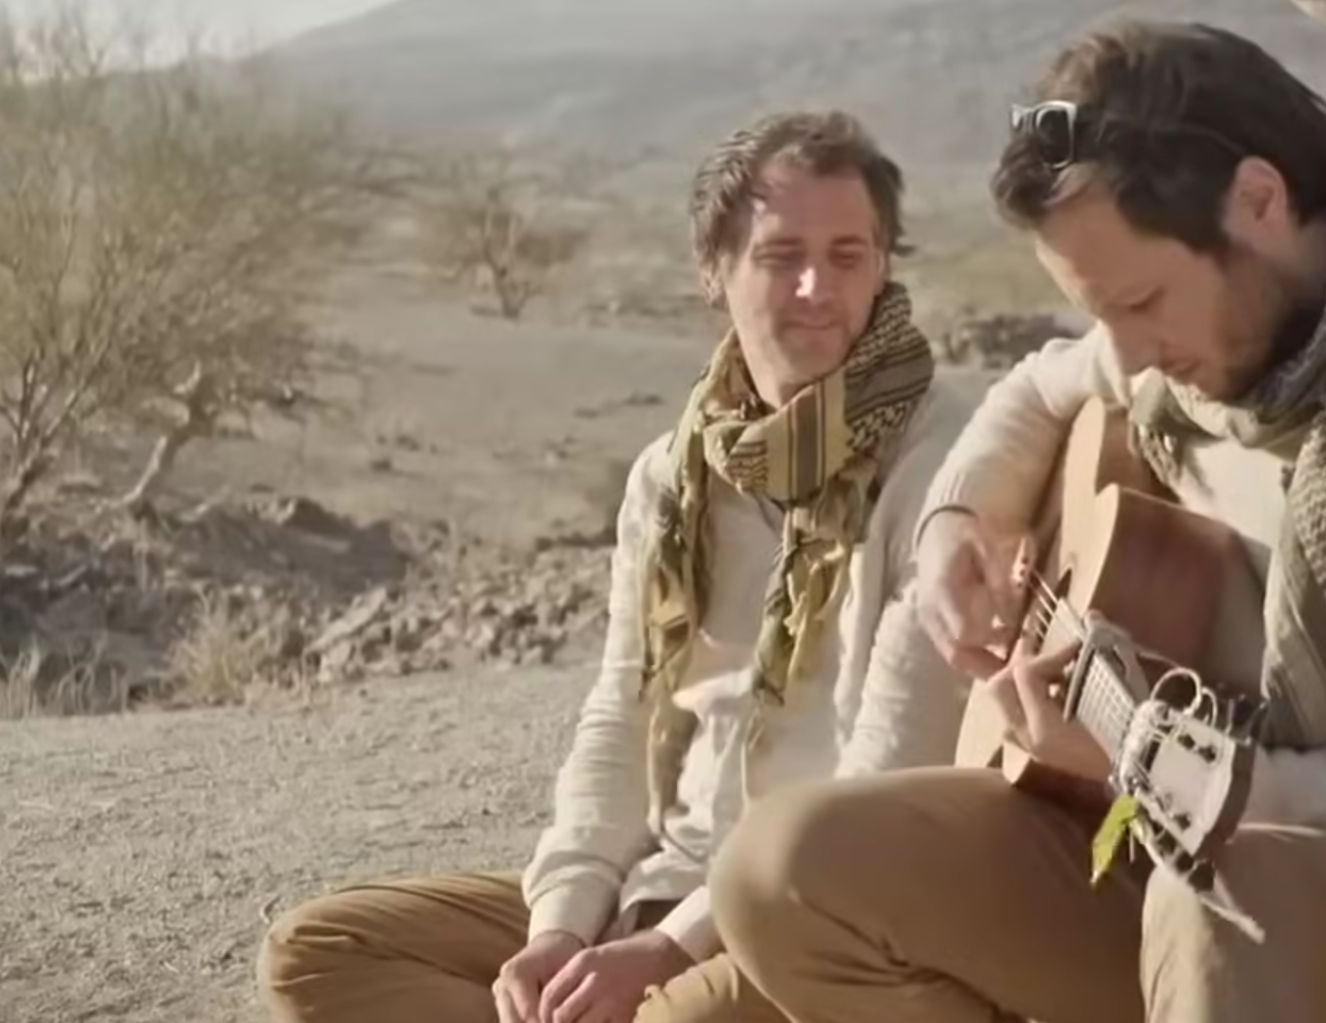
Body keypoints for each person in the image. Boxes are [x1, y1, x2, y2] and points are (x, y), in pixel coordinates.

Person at [707, 20, 1326, 1023]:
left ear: (1258, 202)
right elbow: (1035, 393)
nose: (1129, 357)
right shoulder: (1205, 335)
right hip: (1143, 828)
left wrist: (1182, 779)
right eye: (1102, 315)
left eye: (1139, 301)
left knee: (1218, 905)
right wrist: (955, 525)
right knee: (779, 870)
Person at [255, 109, 972, 1023]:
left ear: (883, 266)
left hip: (825, 909)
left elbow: (888, 770)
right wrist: (561, 924)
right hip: (663, 880)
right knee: (318, 953)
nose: (814, 287)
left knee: (672, 1016)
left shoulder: (945, 455)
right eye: (779, 253)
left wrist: (670, 949)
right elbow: (623, 708)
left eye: (848, 255)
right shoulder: (671, 476)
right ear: (713, 271)